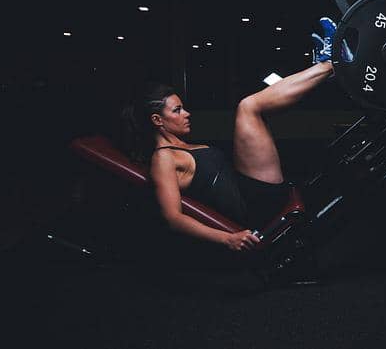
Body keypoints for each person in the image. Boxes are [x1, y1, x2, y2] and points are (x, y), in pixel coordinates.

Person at [121, 18, 346, 253]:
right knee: (248, 107)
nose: (187, 114)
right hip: (254, 203)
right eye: (177, 110)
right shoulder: (163, 159)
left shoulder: (180, 147)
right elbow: (173, 218)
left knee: (253, 110)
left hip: (250, 189)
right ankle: (332, 63)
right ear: (157, 121)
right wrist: (227, 238)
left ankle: (326, 65)